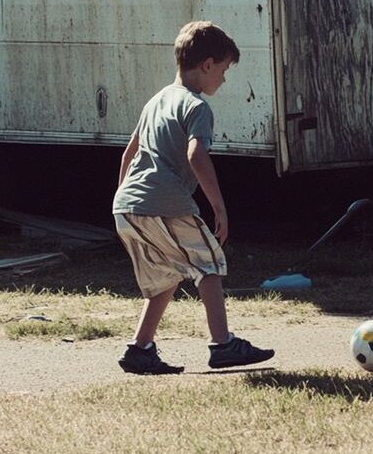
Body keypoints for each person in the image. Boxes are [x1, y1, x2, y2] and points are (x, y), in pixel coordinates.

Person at [112, 21, 275, 374]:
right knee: (209, 263)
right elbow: (196, 155)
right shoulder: (197, 106)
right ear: (207, 65)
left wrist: (124, 199)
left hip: (126, 205)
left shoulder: (156, 100)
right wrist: (219, 206)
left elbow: (129, 153)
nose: (224, 79)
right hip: (165, 202)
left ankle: (140, 349)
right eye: (225, 70)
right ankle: (223, 345)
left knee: (165, 275)